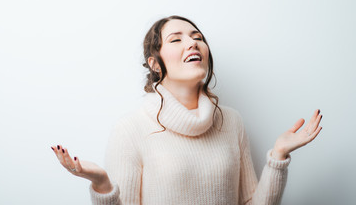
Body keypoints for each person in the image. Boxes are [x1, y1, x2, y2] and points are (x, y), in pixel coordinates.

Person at [51, 15, 323, 205]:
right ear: (155, 64)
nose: (192, 43)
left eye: (197, 37)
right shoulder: (130, 129)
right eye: (176, 40)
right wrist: (102, 186)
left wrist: (278, 157)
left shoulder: (231, 122)